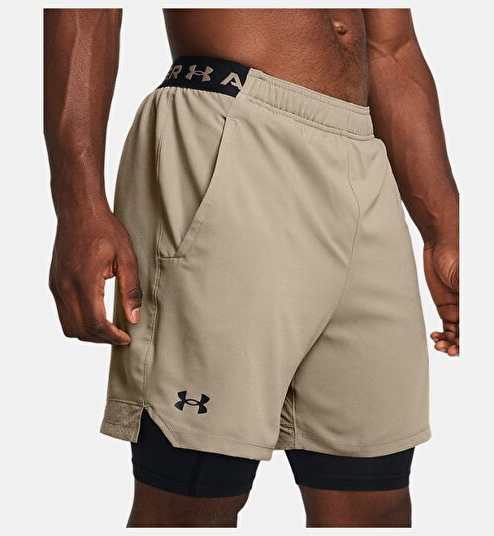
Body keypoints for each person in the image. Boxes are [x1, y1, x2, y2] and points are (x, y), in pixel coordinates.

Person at [44, 8, 459, 528]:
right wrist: (78, 204)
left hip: (362, 154)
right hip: (232, 123)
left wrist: (446, 230)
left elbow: (392, 48)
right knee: (195, 496)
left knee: (375, 501)